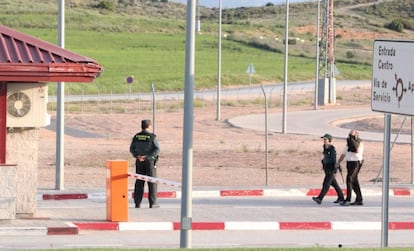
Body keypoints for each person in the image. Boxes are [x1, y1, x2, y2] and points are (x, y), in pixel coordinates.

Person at [129, 119, 160, 208]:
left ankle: (137, 203)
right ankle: (152, 203)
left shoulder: (136, 136)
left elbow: (131, 148)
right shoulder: (152, 137)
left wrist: (138, 156)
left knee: (139, 182)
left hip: (139, 161)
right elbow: (157, 149)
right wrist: (147, 157)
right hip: (149, 162)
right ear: (149, 126)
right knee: (152, 182)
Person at [312, 133, 344, 205]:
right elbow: (325, 157)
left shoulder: (332, 148)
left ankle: (320, 198)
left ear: (329, 140)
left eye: (325, 139)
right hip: (326, 168)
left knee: (326, 184)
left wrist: (335, 170)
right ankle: (341, 197)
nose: (324, 140)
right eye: (323, 139)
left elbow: (334, 159)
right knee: (334, 184)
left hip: (331, 168)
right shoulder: (324, 147)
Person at [337, 129, 364, 206]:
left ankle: (348, 199)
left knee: (349, 179)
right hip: (349, 163)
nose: (350, 136)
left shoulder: (359, 142)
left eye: (351, 135)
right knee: (354, 181)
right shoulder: (348, 144)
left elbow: (356, 150)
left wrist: (352, 140)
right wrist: (338, 162)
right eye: (349, 135)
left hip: (356, 162)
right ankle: (359, 199)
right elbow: (343, 154)